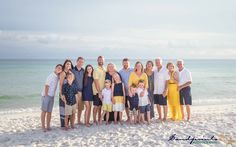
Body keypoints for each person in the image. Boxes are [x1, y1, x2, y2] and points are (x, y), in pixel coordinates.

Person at [41, 64, 62, 132]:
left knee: (49, 112)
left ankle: (48, 126)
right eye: (58, 68)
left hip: (52, 96)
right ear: (55, 68)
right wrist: (46, 95)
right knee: (44, 111)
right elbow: (47, 86)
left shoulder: (57, 76)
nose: (59, 69)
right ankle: (43, 126)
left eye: (60, 68)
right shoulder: (51, 76)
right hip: (46, 96)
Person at [59, 59, 73, 127]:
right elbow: (60, 84)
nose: (68, 65)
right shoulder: (63, 73)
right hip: (63, 93)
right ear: (64, 64)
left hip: (69, 93)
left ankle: (67, 124)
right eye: (67, 64)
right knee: (64, 109)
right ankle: (64, 125)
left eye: (69, 64)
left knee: (68, 109)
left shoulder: (70, 72)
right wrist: (61, 94)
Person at [92, 56, 106, 125]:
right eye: (99, 60)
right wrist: (99, 92)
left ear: (104, 61)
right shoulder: (96, 70)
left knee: (100, 106)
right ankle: (94, 120)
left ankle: (99, 118)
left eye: (102, 60)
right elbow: (96, 81)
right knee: (96, 106)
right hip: (97, 91)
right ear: (97, 60)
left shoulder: (104, 69)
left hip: (103, 91)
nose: (101, 61)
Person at [72, 57, 85, 125]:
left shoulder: (83, 70)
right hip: (75, 92)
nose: (81, 63)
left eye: (82, 62)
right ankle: (72, 122)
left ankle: (79, 121)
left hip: (82, 92)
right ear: (77, 61)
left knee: (80, 108)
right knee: (74, 108)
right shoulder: (72, 70)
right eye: (79, 61)